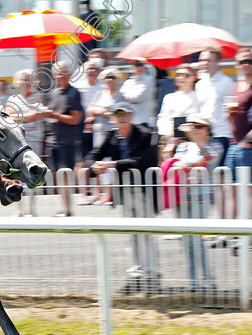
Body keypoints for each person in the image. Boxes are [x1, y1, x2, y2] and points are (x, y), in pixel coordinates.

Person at [85, 102, 160, 295]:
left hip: (144, 190)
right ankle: (136, 276)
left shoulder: (146, 133)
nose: (122, 118)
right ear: (112, 118)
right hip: (125, 192)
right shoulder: (111, 136)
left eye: (124, 114)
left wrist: (111, 165)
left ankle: (152, 276)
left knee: (146, 235)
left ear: (132, 116)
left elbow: (145, 161)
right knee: (133, 235)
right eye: (117, 115)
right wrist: (94, 166)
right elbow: (94, 155)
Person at [161, 113, 220, 292]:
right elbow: (174, 165)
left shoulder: (214, 145)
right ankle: (193, 281)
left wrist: (186, 163)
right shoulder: (183, 146)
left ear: (208, 130)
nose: (194, 129)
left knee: (197, 240)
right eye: (192, 126)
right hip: (182, 196)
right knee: (187, 241)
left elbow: (209, 159)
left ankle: (208, 280)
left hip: (200, 198)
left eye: (199, 126)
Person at [225, 48, 252, 221]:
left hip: (248, 145)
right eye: (243, 61)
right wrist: (227, 113)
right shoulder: (235, 86)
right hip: (233, 143)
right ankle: (229, 231)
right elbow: (230, 117)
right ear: (237, 64)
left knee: (249, 188)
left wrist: (248, 141)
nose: (246, 64)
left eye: (250, 60)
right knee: (230, 188)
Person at [41, 61, 85, 217]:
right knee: (58, 176)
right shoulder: (54, 93)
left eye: (63, 73)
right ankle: (64, 207)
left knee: (65, 175)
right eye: (58, 73)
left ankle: (67, 209)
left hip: (67, 141)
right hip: (53, 139)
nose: (61, 76)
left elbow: (75, 119)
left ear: (69, 74)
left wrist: (54, 115)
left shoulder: (74, 93)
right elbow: (53, 114)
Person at [5, 69, 45, 216]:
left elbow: (36, 115)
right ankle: (18, 208)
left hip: (34, 139)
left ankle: (33, 209)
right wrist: (26, 116)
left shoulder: (38, 96)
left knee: (34, 172)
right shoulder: (12, 99)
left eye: (28, 79)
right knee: (17, 174)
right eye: (23, 79)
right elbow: (7, 117)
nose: (26, 82)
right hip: (17, 141)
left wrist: (19, 116)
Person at [83, 68, 126, 205]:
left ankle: (110, 194)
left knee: (109, 163)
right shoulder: (100, 93)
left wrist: (106, 113)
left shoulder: (120, 95)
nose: (110, 80)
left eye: (112, 77)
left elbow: (120, 112)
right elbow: (90, 108)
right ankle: (100, 193)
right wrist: (100, 111)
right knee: (99, 162)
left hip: (113, 133)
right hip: (99, 131)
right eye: (107, 77)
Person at [195, 47, 234, 167]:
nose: (205, 63)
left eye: (208, 60)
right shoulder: (199, 84)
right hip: (205, 136)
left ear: (217, 62)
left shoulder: (227, 82)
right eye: (202, 60)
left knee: (219, 173)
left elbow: (232, 110)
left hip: (222, 135)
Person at [157, 65, 200, 156]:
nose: (181, 78)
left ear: (194, 77)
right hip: (170, 139)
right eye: (178, 75)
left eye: (186, 75)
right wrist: (169, 134)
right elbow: (163, 118)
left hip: (193, 140)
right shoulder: (169, 97)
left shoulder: (199, 96)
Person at [120, 60, 157, 127]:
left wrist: (126, 96)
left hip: (142, 120)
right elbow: (120, 96)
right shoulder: (128, 81)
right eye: (136, 65)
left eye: (141, 65)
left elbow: (137, 98)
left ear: (145, 67)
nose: (138, 67)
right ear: (132, 68)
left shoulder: (149, 80)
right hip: (129, 120)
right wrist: (128, 98)